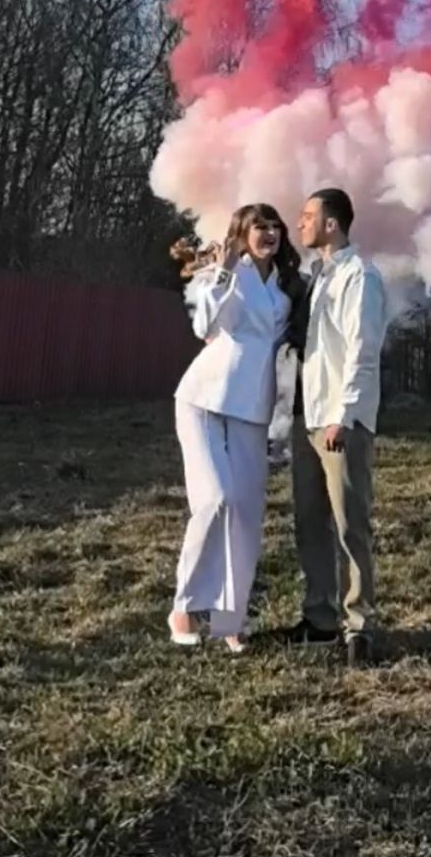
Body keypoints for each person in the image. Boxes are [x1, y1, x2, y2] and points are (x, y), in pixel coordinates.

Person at [168, 204, 305, 652]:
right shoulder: (226, 271)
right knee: (215, 499)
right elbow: (202, 326)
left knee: (246, 515)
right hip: (203, 399)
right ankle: (185, 605)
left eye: (274, 226)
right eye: (259, 226)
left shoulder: (285, 285)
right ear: (242, 234)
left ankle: (230, 621)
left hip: (254, 407)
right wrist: (224, 272)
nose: (269, 233)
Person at [288, 186, 387, 667]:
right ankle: (320, 617)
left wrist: (343, 415)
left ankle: (359, 626)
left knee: (350, 524)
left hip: (338, 420)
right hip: (307, 416)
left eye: (308, 216)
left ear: (331, 224)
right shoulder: (317, 277)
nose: (300, 223)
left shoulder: (359, 277)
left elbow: (362, 350)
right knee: (309, 522)